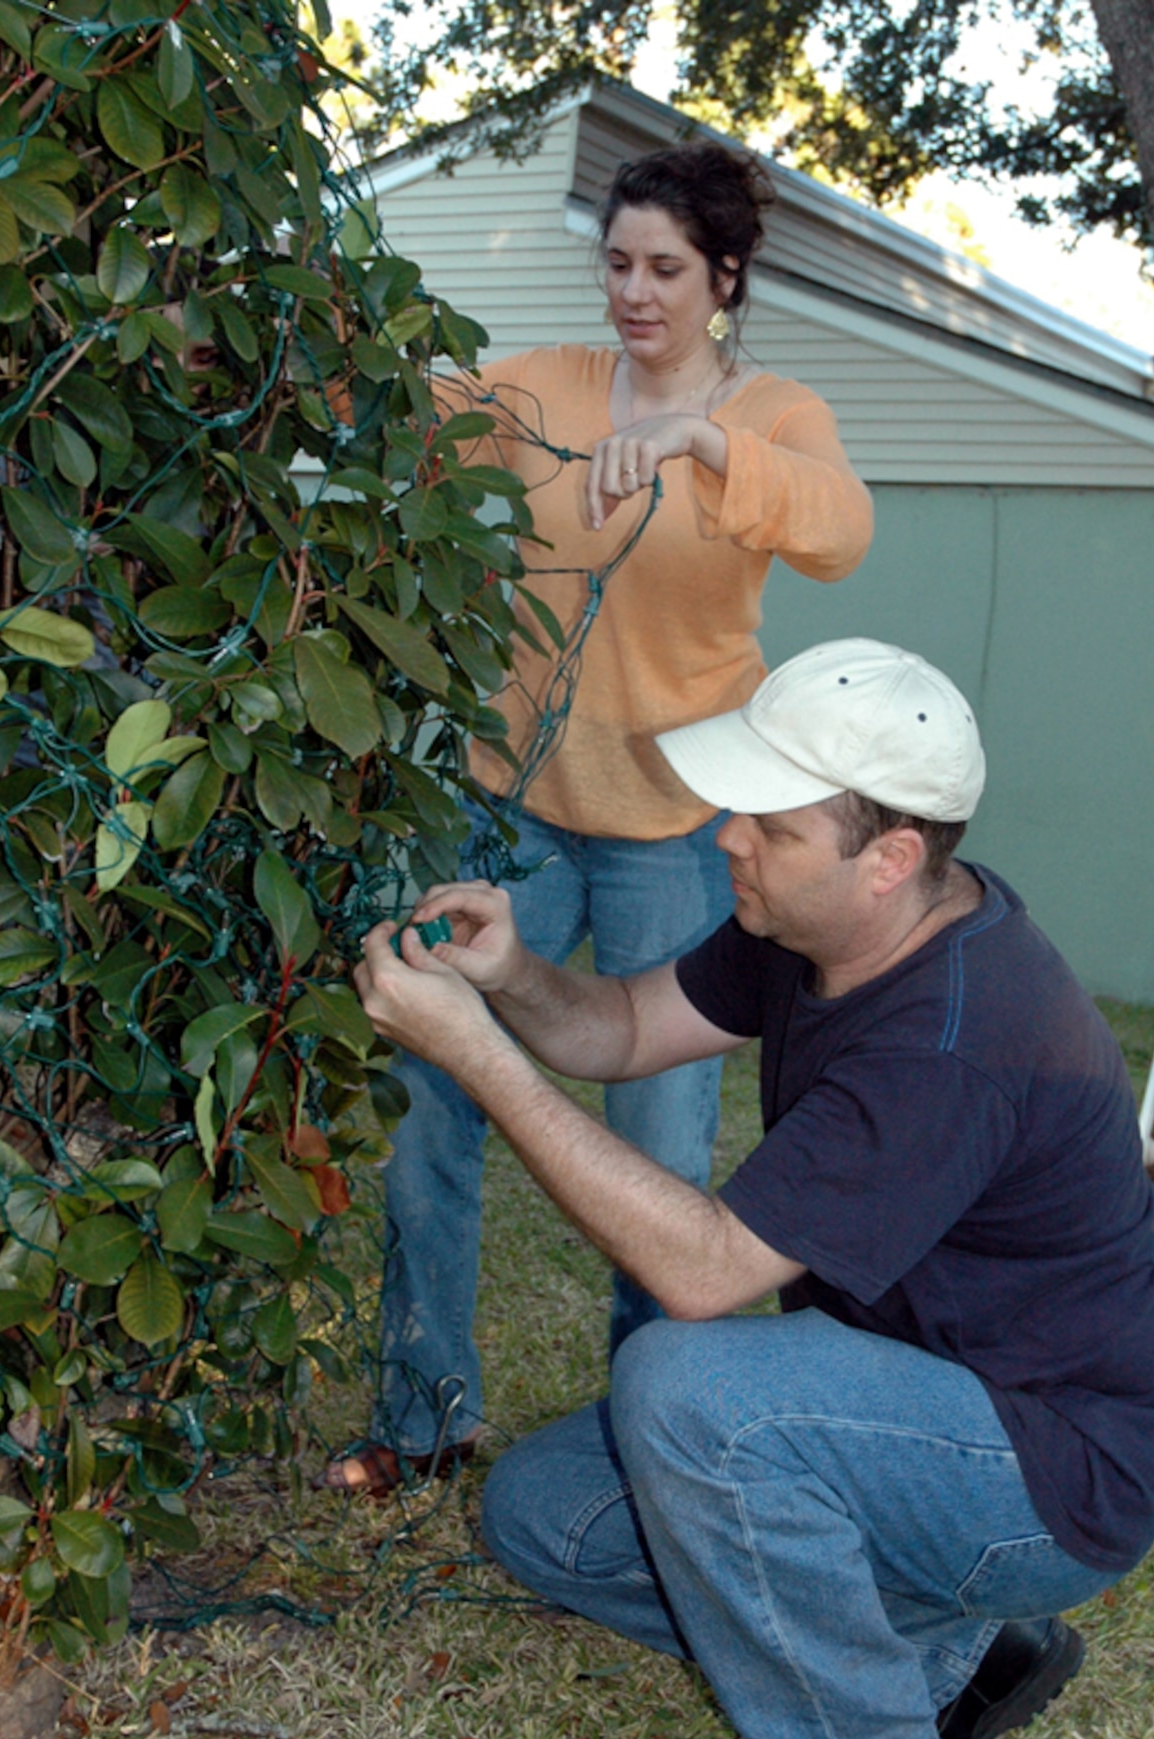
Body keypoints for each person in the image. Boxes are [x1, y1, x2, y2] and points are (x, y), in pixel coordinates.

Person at [350, 637, 1154, 1739]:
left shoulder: (957, 1034)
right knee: (543, 1515)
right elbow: (622, 1028)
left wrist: (480, 1063)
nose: (730, 838)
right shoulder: (823, 928)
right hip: (911, 1417)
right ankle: (962, 1656)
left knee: (687, 1385)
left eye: (771, 825)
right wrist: (512, 980)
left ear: (890, 856)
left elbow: (699, 1274)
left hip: (1048, 1476)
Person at [321, 140, 873, 1494]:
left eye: (665, 268)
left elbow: (840, 529)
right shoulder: (546, 386)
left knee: (664, 1156)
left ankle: (650, 1440)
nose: (634, 290)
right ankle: (424, 1418)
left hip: (680, 835)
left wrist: (701, 440)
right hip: (507, 809)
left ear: (723, 275)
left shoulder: (777, 414)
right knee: (427, 1099)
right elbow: (393, 404)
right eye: (617, 262)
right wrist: (323, 321)